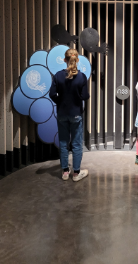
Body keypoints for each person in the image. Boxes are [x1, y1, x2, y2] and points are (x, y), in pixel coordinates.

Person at [49, 49, 91, 182]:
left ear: (64, 60)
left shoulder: (58, 76)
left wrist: (60, 102)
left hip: (62, 113)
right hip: (76, 114)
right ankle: (76, 173)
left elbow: (52, 94)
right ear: (77, 60)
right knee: (77, 144)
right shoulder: (82, 77)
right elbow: (85, 96)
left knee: (63, 143)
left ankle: (65, 172)